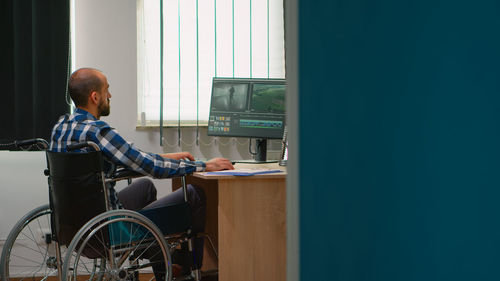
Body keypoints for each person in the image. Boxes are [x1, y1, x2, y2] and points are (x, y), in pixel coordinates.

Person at [50, 67, 234, 279]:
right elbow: (148, 166)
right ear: (95, 96)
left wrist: (168, 158)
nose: (110, 95)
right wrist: (202, 166)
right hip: (107, 228)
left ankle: (157, 258)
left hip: (73, 225)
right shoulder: (97, 131)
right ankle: (181, 269)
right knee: (194, 194)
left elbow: (131, 158)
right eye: (107, 90)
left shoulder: (61, 127)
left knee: (144, 188)